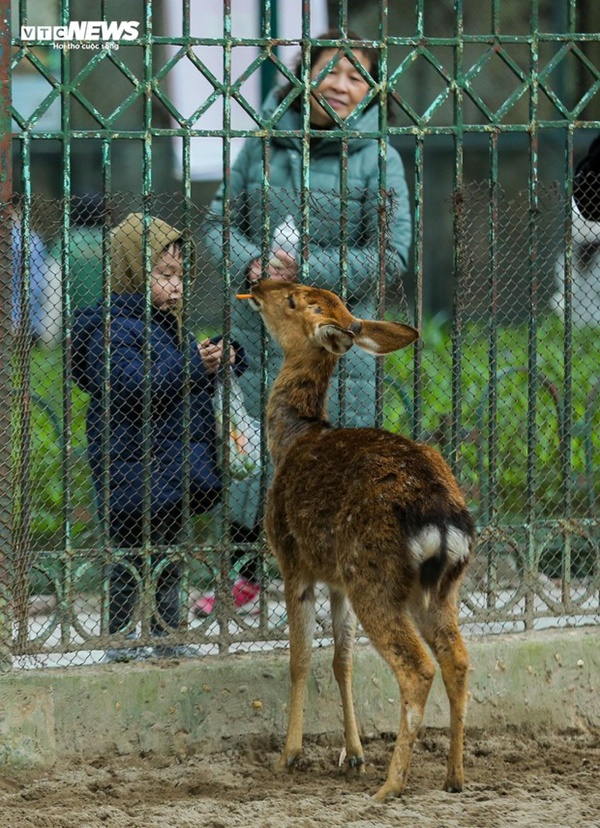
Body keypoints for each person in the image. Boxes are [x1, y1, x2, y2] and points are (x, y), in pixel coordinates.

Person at [200, 30, 412, 614]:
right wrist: (248, 261)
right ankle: (242, 581)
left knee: (331, 459)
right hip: (261, 336)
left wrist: (309, 269)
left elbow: (392, 255)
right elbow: (218, 224)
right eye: (332, 71)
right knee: (253, 457)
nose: (343, 86)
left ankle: (334, 588)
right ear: (304, 73)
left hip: (330, 343)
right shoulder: (263, 144)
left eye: (358, 76)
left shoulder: (382, 158)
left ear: (372, 90)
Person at [72, 212, 247, 661]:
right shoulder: (110, 329)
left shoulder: (167, 327)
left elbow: (178, 387)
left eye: (180, 277)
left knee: (170, 556)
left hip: (170, 469)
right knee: (129, 559)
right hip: (130, 468)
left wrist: (219, 360)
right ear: (133, 272)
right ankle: (120, 637)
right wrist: (193, 366)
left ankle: (167, 635)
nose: (176, 286)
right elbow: (133, 387)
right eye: (165, 275)